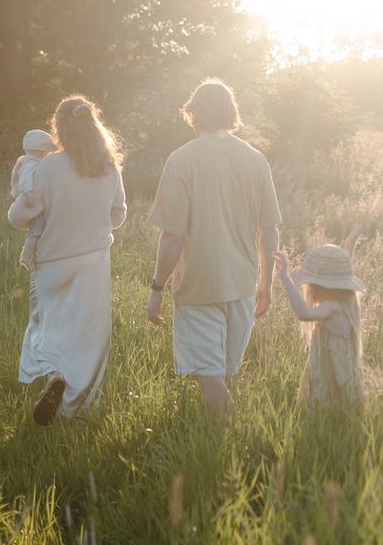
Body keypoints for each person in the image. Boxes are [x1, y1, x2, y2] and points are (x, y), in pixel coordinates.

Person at [145, 79, 281, 414]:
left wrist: (157, 287)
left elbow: (173, 235)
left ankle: (237, 444)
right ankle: (223, 449)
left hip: (198, 287)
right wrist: (266, 283)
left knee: (211, 382)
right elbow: (270, 229)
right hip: (242, 285)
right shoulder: (255, 159)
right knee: (221, 376)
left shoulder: (181, 160)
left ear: (193, 114)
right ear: (231, 113)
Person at [12, 95, 127, 426]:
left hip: (52, 261)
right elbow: (118, 216)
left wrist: (19, 208)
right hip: (93, 263)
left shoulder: (49, 165)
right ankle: (73, 411)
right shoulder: (109, 167)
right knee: (87, 338)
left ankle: (54, 375)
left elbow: (24, 215)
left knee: (46, 328)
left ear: (59, 127)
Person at [272, 237, 363, 406]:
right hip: (339, 372)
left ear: (318, 285)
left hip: (334, 376)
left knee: (331, 407)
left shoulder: (331, 307)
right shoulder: (346, 303)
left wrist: (285, 277)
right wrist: (352, 238)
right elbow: (347, 256)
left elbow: (303, 313)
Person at [9, 127, 55, 272]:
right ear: (41, 151)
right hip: (31, 201)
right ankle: (27, 254)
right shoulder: (31, 163)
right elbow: (25, 179)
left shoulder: (32, 161)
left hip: (34, 200)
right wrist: (28, 193)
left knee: (39, 227)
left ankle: (32, 253)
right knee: (37, 227)